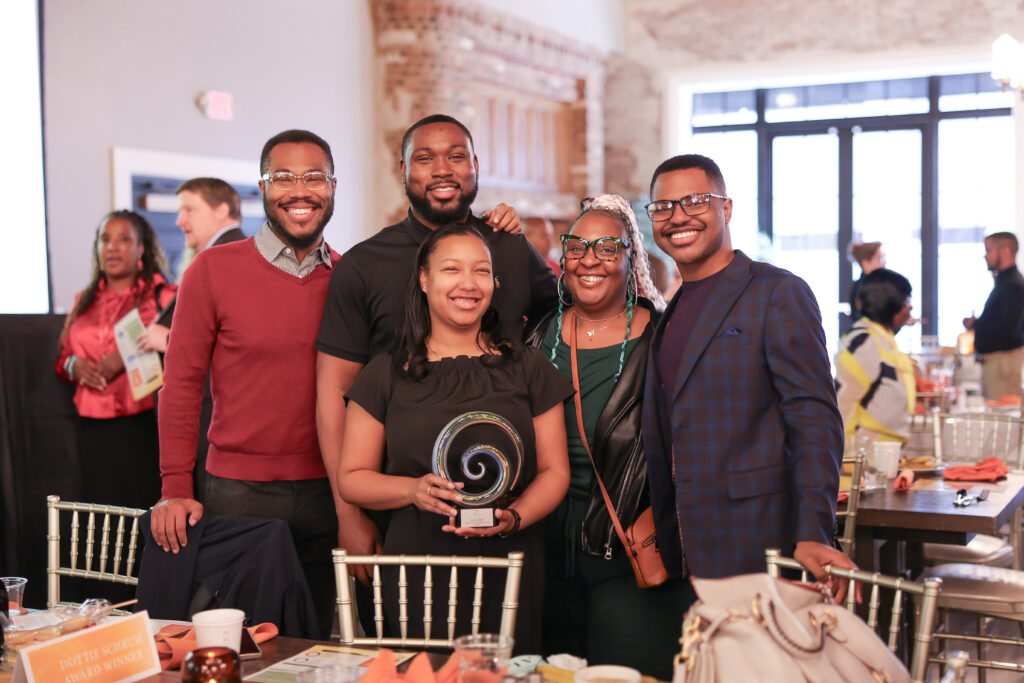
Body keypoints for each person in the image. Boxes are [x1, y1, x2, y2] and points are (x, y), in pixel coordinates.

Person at [316, 114, 557, 568]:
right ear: (403, 170)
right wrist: (348, 515)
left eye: (457, 156)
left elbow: (564, 317)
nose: (443, 170)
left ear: (476, 166)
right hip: (400, 511)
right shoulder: (364, 265)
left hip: (511, 513)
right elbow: (334, 394)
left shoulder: (508, 246)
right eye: (425, 158)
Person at [337, 224, 571, 653]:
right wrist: (412, 490)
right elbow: (352, 478)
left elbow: (556, 472)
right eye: (452, 269)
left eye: (481, 271)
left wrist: (515, 516)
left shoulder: (529, 367)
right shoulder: (386, 373)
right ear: (424, 280)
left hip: (511, 565)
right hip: (419, 574)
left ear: (494, 283)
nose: (468, 283)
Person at [151, 129, 340, 637]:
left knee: (317, 647)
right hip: (238, 494)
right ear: (261, 187)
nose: (299, 190)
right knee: (239, 650)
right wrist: (174, 486)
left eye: (314, 177)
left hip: (331, 494)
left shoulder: (348, 279)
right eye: (283, 177)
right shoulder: (212, 270)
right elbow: (182, 386)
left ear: (334, 187)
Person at [640, 154, 853, 601]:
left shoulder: (776, 291)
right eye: (663, 207)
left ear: (727, 208)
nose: (678, 217)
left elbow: (814, 417)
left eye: (695, 201)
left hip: (760, 537)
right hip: (687, 543)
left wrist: (814, 530)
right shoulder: (670, 310)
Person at [525, 195, 690, 679]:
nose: (589, 260)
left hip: (629, 552)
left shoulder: (664, 341)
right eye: (577, 246)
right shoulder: (536, 339)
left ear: (630, 259)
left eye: (606, 247)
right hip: (542, 549)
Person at [55, 210, 177, 508]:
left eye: (124, 239)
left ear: (141, 248)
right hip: (91, 428)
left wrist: (126, 356)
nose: (112, 247)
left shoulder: (163, 296)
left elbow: (189, 352)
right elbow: (62, 359)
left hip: (145, 425)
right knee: (102, 516)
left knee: (144, 512)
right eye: (105, 239)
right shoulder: (83, 300)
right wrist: (74, 366)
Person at [138, 177, 247, 499]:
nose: (179, 220)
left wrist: (169, 339)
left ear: (222, 210)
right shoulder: (212, 258)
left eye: (189, 209)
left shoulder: (227, 258)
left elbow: (237, 339)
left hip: (213, 418)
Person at [835, 269, 916, 444]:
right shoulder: (865, 341)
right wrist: (847, 460)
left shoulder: (882, 337)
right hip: (865, 459)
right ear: (888, 304)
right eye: (906, 301)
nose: (910, 308)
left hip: (885, 454)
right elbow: (844, 404)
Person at [963, 232, 1024, 400]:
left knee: (1002, 419)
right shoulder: (1005, 283)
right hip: (997, 363)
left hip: (1003, 364)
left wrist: (976, 325)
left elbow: (1008, 329)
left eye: (989, 250)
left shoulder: (1013, 285)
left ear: (1004, 251)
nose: (986, 256)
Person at [847, 241, 885, 324]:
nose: (883, 263)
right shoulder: (862, 289)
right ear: (865, 263)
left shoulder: (879, 285)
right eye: (879, 259)